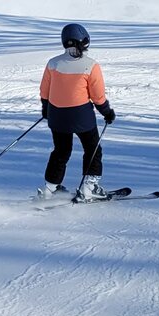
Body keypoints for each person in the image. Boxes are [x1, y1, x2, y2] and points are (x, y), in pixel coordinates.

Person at [37, 23, 117, 202]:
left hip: (57, 116)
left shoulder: (53, 63)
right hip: (81, 116)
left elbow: (45, 91)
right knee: (92, 149)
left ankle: (50, 189)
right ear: (86, 41)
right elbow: (98, 97)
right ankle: (89, 188)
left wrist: (46, 109)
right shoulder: (91, 65)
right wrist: (107, 112)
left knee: (61, 151)